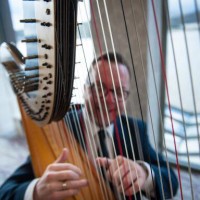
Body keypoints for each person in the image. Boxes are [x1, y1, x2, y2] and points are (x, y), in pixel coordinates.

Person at [0, 52, 178, 200]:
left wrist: (145, 174)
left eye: (119, 92)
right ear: (84, 89)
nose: (109, 99)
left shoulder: (136, 129)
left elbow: (171, 180)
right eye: (99, 88)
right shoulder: (57, 128)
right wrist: (37, 190)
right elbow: (6, 191)